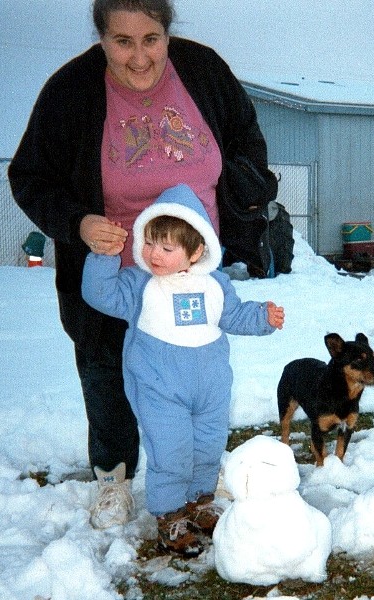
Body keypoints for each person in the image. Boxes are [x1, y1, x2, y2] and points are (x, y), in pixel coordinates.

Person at [8, 0, 279, 529]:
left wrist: (247, 191)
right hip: (117, 266)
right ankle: (114, 477)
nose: (138, 58)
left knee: (200, 372)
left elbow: (247, 138)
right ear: (101, 37)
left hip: (195, 266)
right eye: (122, 41)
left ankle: (199, 473)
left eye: (151, 39)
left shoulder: (203, 71)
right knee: (106, 370)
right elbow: (30, 176)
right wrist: (80, 223)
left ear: (168, 33)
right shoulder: (71, 91)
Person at [82, 183, 285, 556]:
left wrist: (263, 317)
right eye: (149, 242)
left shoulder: (216, 284)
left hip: (210, 388)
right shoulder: (140, 284)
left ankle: (199, 501)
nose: (153, 254)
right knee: (171, 450)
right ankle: (169, 513)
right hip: (160, 388)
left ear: (196, 251)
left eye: (167, 247)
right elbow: (100, 295)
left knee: (208, 447)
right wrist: (102, 257)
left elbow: (235, 315)